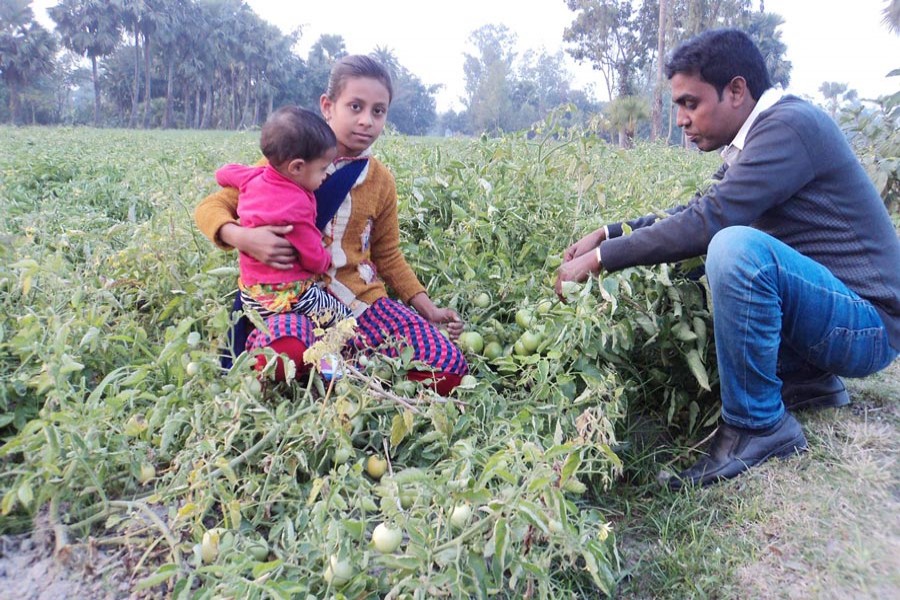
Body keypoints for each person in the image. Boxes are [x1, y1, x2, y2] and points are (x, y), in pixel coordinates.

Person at [556, 29, 900, 489]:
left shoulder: (789, 128)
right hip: (838, 313)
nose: (681, 119)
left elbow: (711, 220)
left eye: (690, 103)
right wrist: (609, 232)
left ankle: (758, 426)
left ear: (736, 90)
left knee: (734, 249)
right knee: (721, 247)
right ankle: (807, 379)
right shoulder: (759, 135)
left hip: (868, 326)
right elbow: (695, 209)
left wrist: (602, 258)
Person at [195, 55, 468, 394]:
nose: (366, 120)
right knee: (285, 348)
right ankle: (340, 369)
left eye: (378, 111)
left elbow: (389, 255)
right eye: (355, 106)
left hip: (358, 301)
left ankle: (341, 370)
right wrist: (241, 236)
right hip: (291, 299)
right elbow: (213, 206)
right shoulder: (286, 163)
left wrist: (429, 309)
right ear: (328, 106)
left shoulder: (380, 181)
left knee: (447, 367)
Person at [215, 105, 350, 329]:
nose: (326, 175)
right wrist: (326, 258)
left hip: (250, 294)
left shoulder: (253, 176)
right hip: (289, 295)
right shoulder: (295, 206)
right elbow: (312, 258)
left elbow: (223, 173)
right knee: (344, 321)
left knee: (283, 335)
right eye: (322, 169)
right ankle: (334, 360)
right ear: (297, 167)